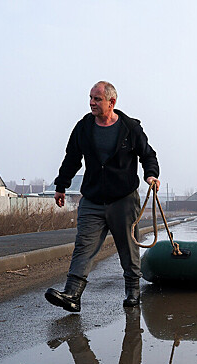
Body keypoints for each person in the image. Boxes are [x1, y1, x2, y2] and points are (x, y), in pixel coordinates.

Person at [45, 80, 160, 312]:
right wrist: (61, 186)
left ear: (112, 102)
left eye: (97, 99)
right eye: (90, 98)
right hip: (93, 199)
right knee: (83, 245)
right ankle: (72, 294)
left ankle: (132, 293)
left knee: (128, 247)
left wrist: (151, 176)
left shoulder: (130, 128)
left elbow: (148, 155)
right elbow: (71, 158)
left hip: (123, 199)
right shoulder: (83, 127)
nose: (91, 103)